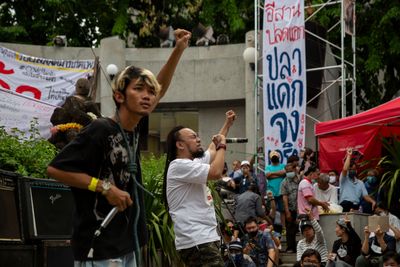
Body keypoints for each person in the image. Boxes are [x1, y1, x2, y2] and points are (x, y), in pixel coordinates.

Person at [46, 28, 191, 267]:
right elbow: (55, 170)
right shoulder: (100, 129)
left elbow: (160, 88)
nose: (147, 96)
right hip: (99, 246)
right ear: (119, 96)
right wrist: (104, 187)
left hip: (126, 244)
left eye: (150, 92)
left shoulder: (134, 126)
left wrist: (178, 50)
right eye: (138, 89)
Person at [164, 110, 236, 266]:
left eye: (197, 136)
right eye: (193, 137)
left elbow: (211, 149)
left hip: (204, 238)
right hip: (196, 239)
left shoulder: (192, 163)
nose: (198, 139)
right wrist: (222, 144)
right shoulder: (178, 166)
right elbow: (216, 172)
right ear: (180, 144)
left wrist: (227, 125)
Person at [339, 148, 376, 212]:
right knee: (346, 205)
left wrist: (372, 201)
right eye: (350, 170)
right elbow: (345, 169)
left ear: (356, 170)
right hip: (345, 205)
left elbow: (365, 196)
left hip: (356, 206)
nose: (351, 171)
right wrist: (349, 156)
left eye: (353, 169)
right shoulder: (344, 179)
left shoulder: (360, 183)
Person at [281, 162, 301, 253]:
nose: (289, 172)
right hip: (290, 208)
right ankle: (291, 247)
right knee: (290, 229)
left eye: (290, 170)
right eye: (287, 171)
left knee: (301, 227)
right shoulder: (284, 182)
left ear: (294, 169)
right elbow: (284, 197)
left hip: (301, 208)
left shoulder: (300, 180)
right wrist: (287, 211)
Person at [265, 150, 286, 234]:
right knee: (272, 209)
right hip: (271, 191)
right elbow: (267, 175)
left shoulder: (283, 166)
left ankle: (284, 228)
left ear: (279, 158)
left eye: (276, 157)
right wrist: (279, 174)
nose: (275, 158)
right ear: (270, 158)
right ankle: (271, 227)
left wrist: (272, 174)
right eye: (273, 157)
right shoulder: (268, 167)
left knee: (282, 211)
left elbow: (284, 173)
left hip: (281, 191)